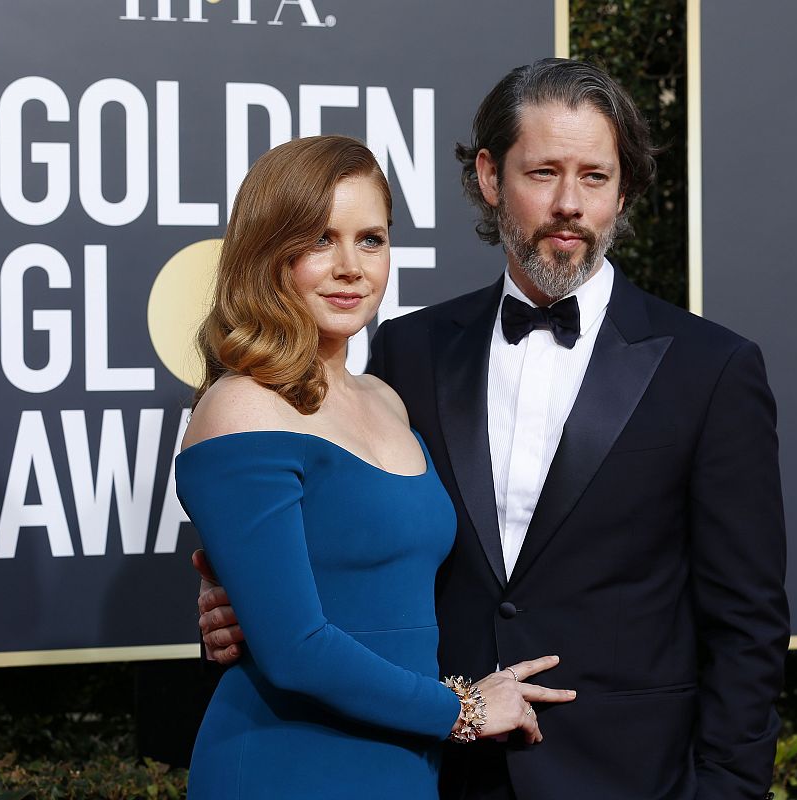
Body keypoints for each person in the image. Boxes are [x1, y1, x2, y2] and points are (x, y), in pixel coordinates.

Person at [197, 60, 789, 799]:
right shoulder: (411, 352)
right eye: (542, 173)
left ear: (622, 190)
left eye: (595, 177)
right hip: (436, 767)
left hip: (628, 776)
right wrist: (242, 604)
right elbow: (338, 551)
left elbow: (747, 623)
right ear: (489, 177)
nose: (568, 203)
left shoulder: (711, 368)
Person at [176, 134, 576, 799]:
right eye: (318, 240)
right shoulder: (241, 406)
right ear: (266, 253)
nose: (349, 267)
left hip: (406, 762)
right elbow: (294, 650)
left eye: (370, 240)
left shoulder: (386, 399)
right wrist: (463, 710)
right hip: (288, 764)